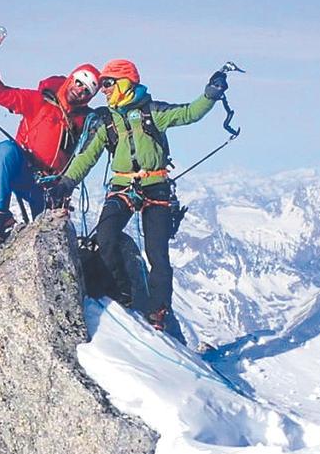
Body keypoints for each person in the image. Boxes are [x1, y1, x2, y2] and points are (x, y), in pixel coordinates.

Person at [48, 59, 230, 340]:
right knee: (106, 236)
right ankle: (122, 292)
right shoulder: (107, 120)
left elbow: (189, 114)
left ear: (124, 83)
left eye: (108, 84)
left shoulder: (152, 112)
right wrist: (66, 183)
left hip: (155, 187)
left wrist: (210, 95)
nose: (104, 90)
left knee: (157, 254)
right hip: (123, 186)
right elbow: (88, 157)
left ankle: (158, 310)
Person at [0, 39, 100, 245]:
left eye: (86, 90)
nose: (79, 90)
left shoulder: (86, 120)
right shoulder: (38, 101)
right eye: (79, 83)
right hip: (25, 172)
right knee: (6, 149)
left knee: (48, 242)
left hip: (51, 189)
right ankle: (0, 215)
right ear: (71, 79)